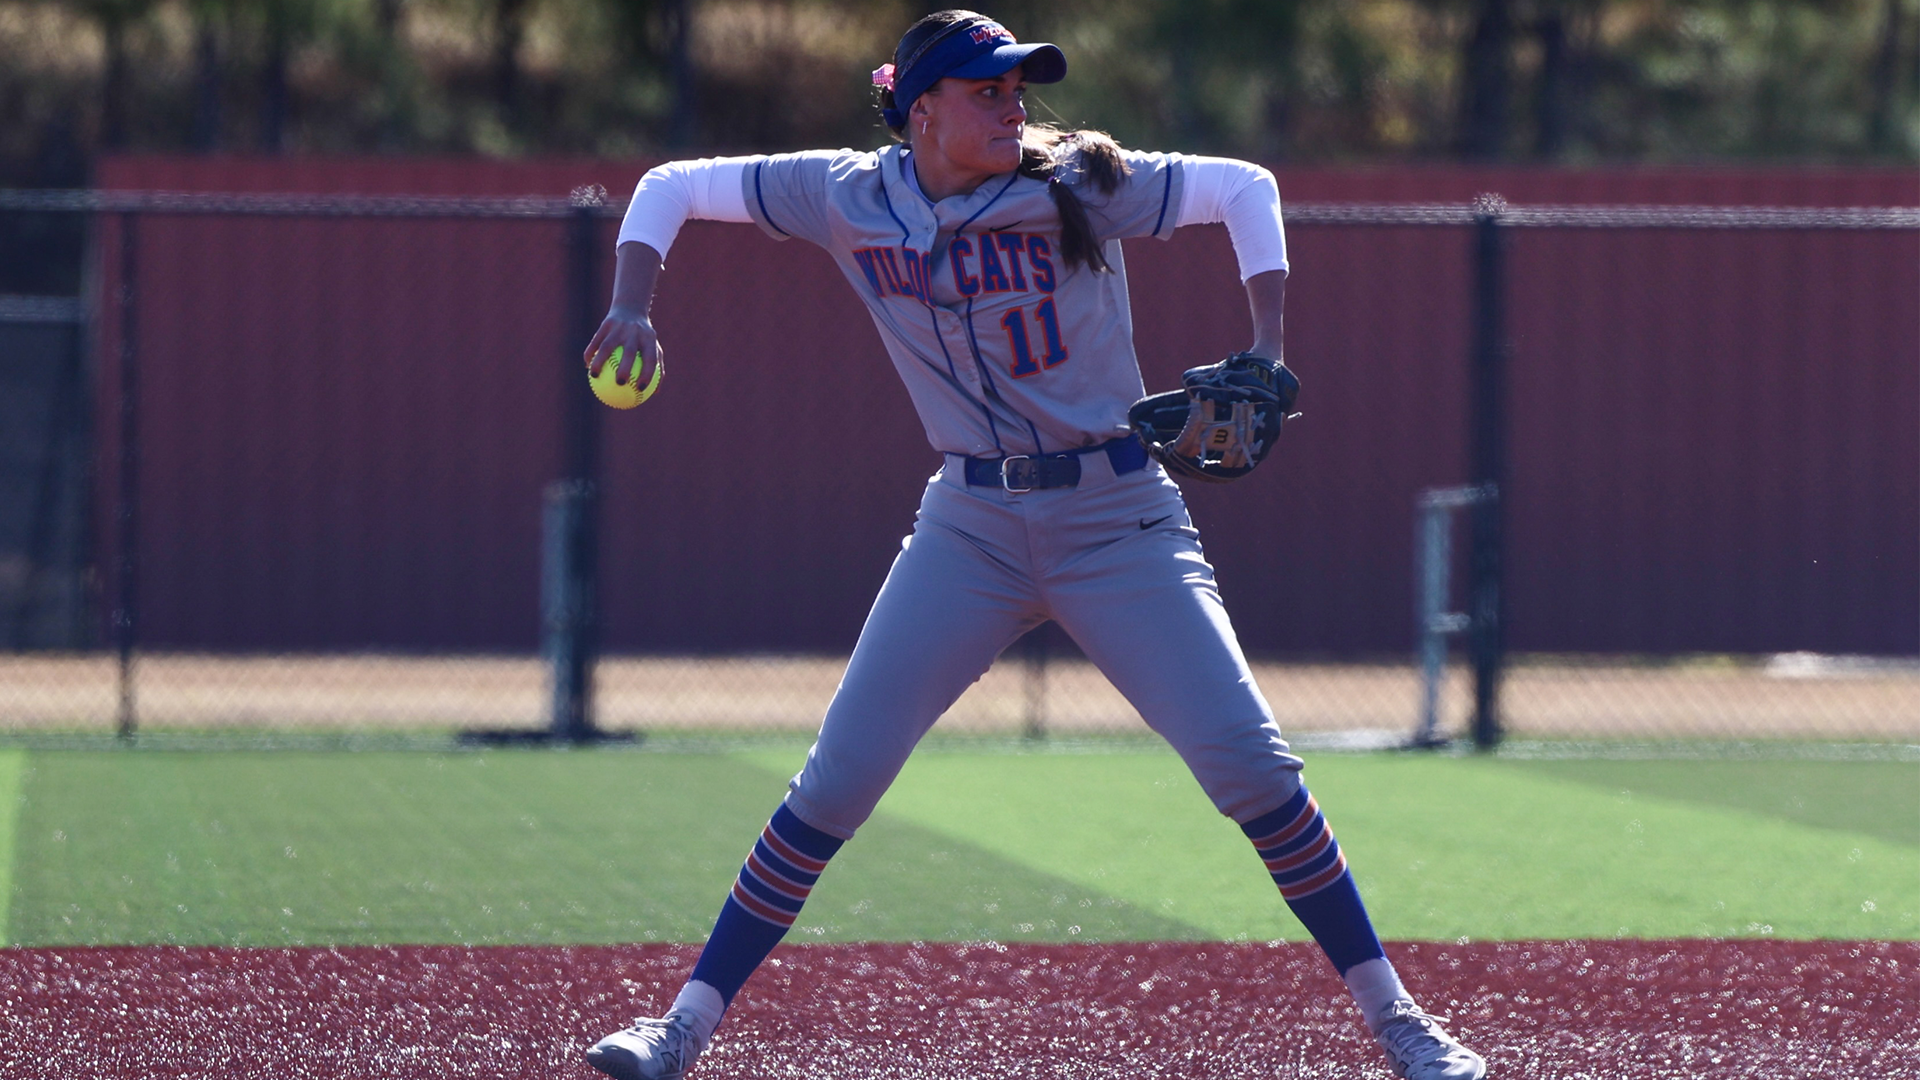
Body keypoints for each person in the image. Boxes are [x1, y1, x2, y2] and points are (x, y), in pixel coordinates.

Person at [579, 11, 1486, 1080]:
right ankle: (678, 1029)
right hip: (967, 527)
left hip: (1118, 520)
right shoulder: (846, 194)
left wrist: (1269, 345)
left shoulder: (1077, 184)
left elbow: (1246, 186)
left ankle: (1399, 1023)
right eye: (988, 90)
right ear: (922, 111)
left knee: (1251, 768)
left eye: (1021, 88)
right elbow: (671, 185)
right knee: (835, 783)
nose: (1016, 106)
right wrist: (632, 304)